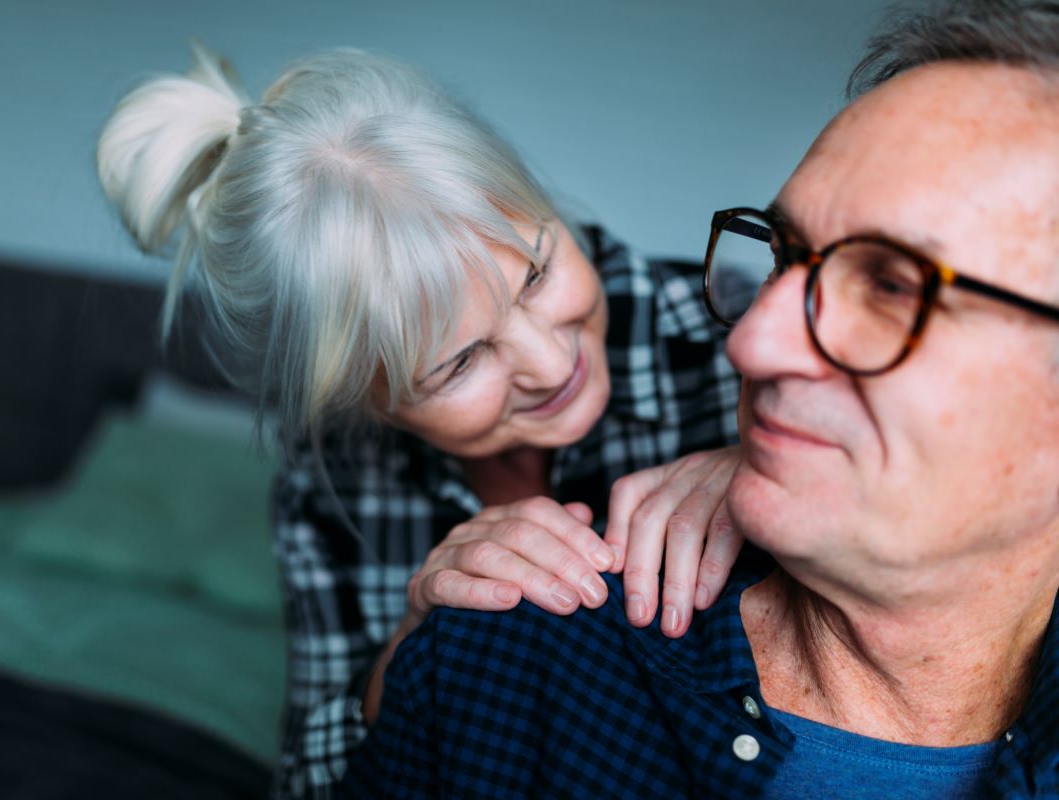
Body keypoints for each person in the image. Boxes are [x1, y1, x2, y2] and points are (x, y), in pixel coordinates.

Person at [341, 1, 1059, 797]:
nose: (748, 343)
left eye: (891, 286)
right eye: (787, 258)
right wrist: (415, 634)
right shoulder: (493, 661)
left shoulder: (680, 315)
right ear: (377, 404)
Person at [95, 46, 745, 797]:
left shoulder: (734, 340)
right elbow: (310, 782)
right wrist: (413, 640)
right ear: (361, 400)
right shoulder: (329, 477)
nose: (548, 360)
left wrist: (760, 466)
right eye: (459, 363)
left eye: (536, 272)